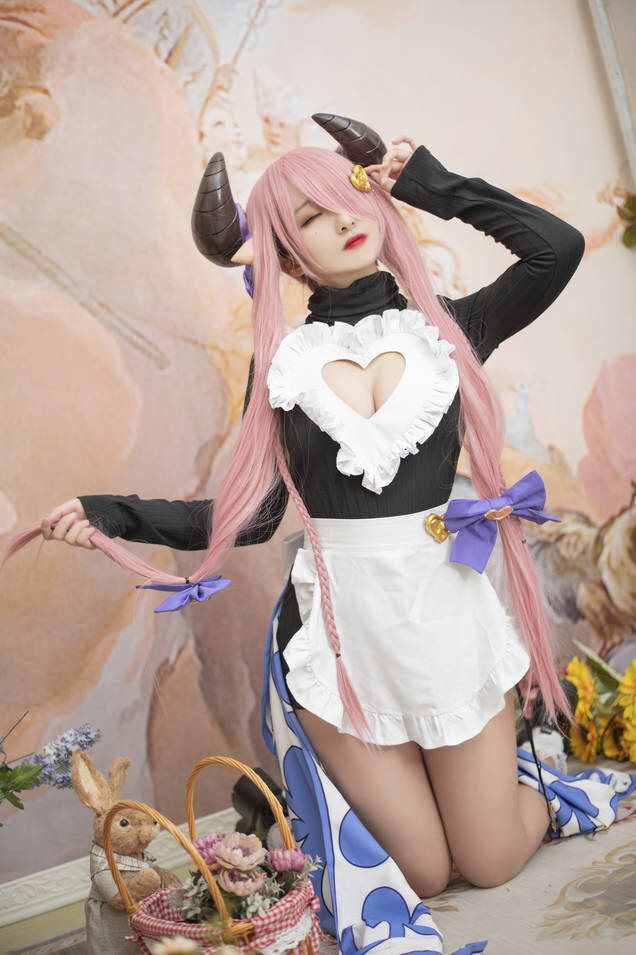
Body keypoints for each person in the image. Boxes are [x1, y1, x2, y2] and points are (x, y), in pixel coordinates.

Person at [6, 114, 635, 955]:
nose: (343, 217)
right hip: (342, 646)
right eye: (308, 216)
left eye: (348, 195)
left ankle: (525, 780)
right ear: (285, 255)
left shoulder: (446, 329)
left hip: (446, 620)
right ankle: (364, 798)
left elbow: (555, 248)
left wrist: (429, 182)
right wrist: (110, 513)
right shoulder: (283, 365)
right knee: (424, 870)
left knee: (487, 861)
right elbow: (253, 515)